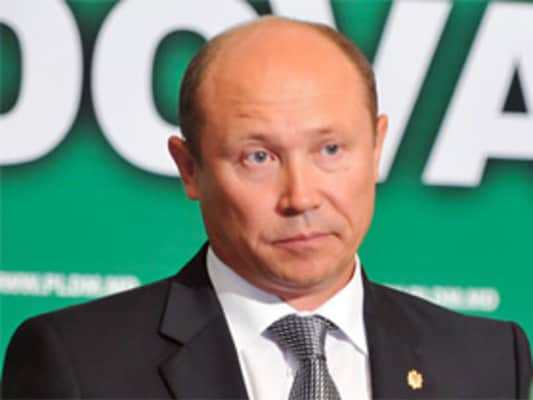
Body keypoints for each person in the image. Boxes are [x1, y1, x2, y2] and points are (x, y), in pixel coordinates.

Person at [2, 16, 531, 400]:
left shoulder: (486, 361)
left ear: (377, 147)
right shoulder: (79, 364)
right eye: (258, 157)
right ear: (189, 168)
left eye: (330, 150)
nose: (300, 197)